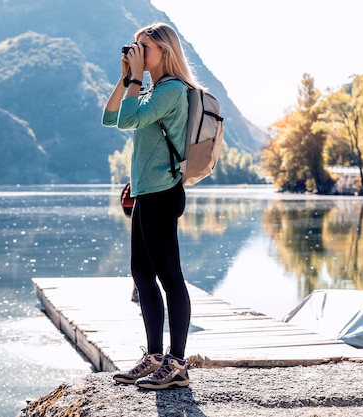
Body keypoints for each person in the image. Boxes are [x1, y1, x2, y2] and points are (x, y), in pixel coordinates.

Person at [102, 22, 199, 390]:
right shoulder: (149, 89)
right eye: (134, 46)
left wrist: (136, 78)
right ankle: (155, 356)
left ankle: (177, 364)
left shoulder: (171, 90)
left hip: (163, 193)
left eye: (144, 47)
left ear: (165, 51)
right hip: (146, 192)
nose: (136, 51)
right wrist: (126, 77)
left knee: (169, 276)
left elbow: (128, 119)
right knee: (142, 276)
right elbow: (110, 118)